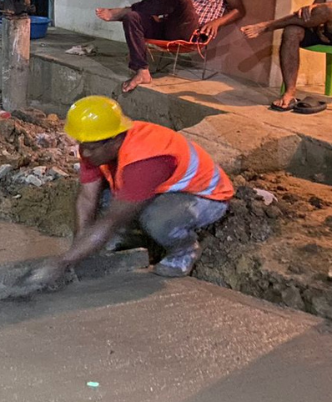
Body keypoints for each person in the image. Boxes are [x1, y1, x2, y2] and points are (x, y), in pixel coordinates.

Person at [26, 96, 234, 286]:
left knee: (157, 220)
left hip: (204, 198)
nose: (85, 152)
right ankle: (131, 241)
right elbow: (87, 198)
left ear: (115, 139)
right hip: (161, 189)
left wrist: (63, 262)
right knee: (105, 201)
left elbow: (113, 219)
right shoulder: (96, 146)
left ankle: (184, 251)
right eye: (82, 144)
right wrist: (78, 247)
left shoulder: (146, 161)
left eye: (92, 146)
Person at [95, 0, 246, 93]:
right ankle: (142, 71)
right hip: (169, 27)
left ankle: (126, 10)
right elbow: (159, 7)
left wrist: (217, 23)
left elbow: (239, 9)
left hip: (192, 31)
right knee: (132, 18)